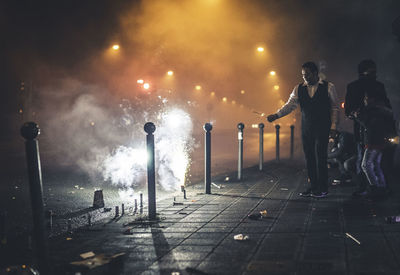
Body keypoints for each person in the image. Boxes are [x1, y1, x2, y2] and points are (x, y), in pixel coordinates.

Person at [267, 62, 339, 198]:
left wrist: (334, 126)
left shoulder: (328, 87)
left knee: (321, 156)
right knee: (309, 157)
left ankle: (323, 188)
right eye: (303, 75)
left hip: (323, 127)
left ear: (315, 73)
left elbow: (335, 108)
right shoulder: (298, 89)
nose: (305, 77)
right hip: (307, 127)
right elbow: (290, 105)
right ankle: (313, 186)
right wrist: (276, 115)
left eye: (307, 75)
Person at [345, 59, 391, 196]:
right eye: (371, 71)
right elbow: (348, 109)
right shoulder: (357, 87)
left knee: (368, 162)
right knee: (366, 161)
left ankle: (374, 188)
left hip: (373, 129)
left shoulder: (377, 86)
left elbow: (386, 107)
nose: (373, 74)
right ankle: (371, 187)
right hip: (365, 129)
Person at [353, 94, 396, 198]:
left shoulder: (375, 111)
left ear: (373, 98)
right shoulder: (382, 110)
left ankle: (375, 187)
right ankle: (382, 187)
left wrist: (358, 117)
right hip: (379, 141)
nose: (365, 100)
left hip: (374, 142)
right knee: (376, 164)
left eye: (366, 98)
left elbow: (370, 125)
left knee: (365, 165)